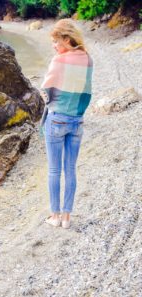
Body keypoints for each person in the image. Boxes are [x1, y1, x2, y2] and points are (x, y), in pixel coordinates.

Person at [40, 19, 93, 229]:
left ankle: (55, 216)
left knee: (54, 170)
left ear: (67, 39)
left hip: (57, 119)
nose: (54, 45)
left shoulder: (59, 60)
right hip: (77, 121)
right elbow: (86, 93)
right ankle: (67, 218)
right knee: (70, 169)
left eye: (56, 41)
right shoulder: (88, 59)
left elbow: (46, 90)